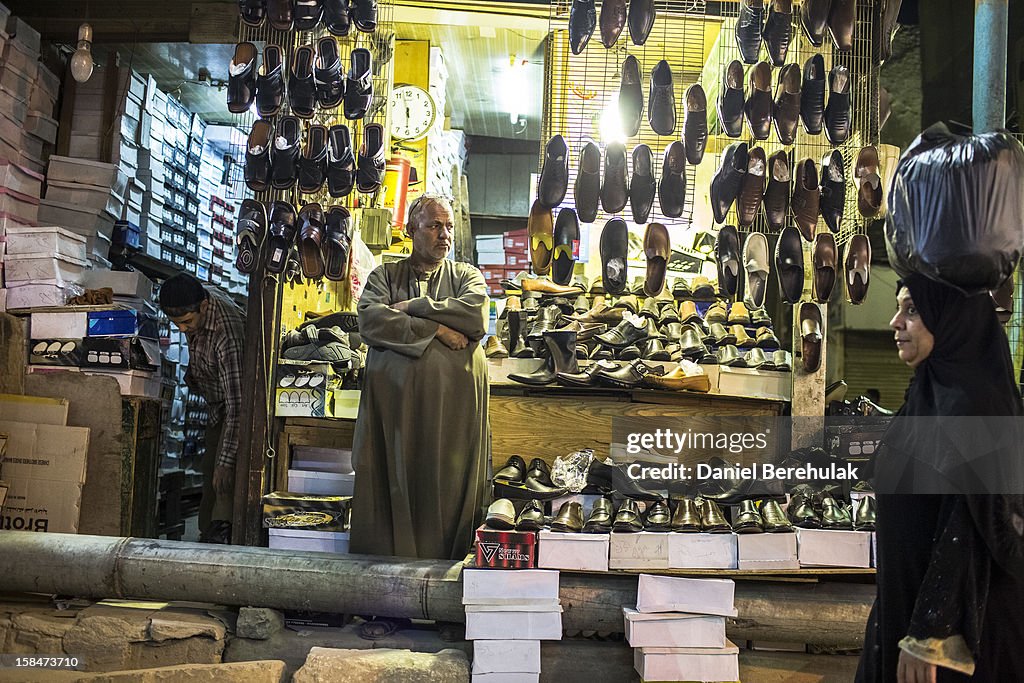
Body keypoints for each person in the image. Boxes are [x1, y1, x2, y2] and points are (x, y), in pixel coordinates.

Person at [856, 273, 1024, 682]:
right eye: (899, 308)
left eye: (912, 310)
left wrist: (929, 633)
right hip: (908, 607)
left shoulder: (974, 406)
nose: (895, 321)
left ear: (952, 319)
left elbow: (968, 526)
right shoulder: (928, 395)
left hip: (954, 638)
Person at [350, 195, 490, 565]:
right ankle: (384, 599)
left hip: (453, 414)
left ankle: (447, 596)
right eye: (433, 226)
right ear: (412, 230)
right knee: (392, 484)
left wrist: (414, 308)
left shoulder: (466, 277)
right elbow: (370, 320)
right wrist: (439, 329)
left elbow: (475, 317)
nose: (444, 235)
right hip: (395, 412)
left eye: (448, 227)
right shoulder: (385, 276)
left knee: (448, 488)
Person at [159, 272, 246, 544]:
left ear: (205, 307)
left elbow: (238, 408)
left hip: (236, 409)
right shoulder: (195, 301)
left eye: (186, 323)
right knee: (211, 475)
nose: (182, 330)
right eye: (177, 325)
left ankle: (221, 539)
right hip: (216, 405)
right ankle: (207, 535)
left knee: (223, 480)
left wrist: (227, 462)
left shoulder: (227, 334)